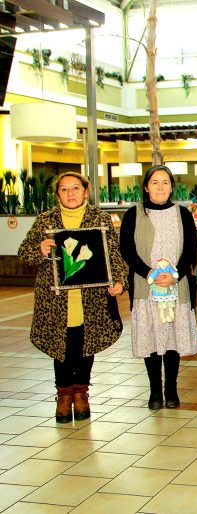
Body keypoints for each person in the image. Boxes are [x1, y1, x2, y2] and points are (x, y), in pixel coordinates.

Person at [18, 172, 126, 423]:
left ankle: (82, 393)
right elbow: (25, 253)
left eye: (75, 188)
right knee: (62, 347)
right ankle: (64, 395)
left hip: (91, 297)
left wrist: (120, 281)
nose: (70, 194)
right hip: (55, 300)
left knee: (85, 344)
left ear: (86, 191)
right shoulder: (45, 220)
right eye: (64, 189)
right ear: (58, 194)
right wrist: (40, 249)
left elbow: (113, 254)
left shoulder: (99, 219)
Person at [120, 165, 197, 410]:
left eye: (165, 182)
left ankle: (171, 389)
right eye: (155, 182)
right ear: (146, 187)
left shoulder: (183, 214)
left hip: (177, 285)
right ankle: (155, 390)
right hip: (146, 287)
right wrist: (151, 274)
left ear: (171, 187)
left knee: (173, 339)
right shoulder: (134, 214)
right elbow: (127, 250)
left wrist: (173, 275)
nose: (160, 187)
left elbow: (189, 250)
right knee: (151, 339)